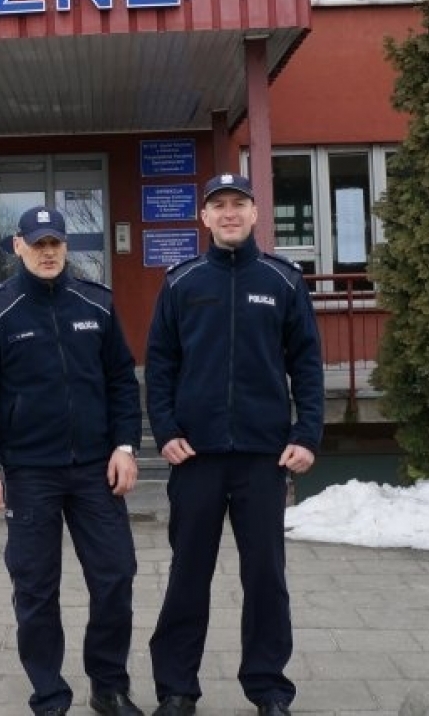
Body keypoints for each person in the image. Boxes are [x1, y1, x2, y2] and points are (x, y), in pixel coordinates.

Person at [144, 174, 323, 716]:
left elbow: (307, 365)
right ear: (203, 217)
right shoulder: (181, 283)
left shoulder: (283, 281)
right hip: (195, 457)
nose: (228, 213)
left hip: (263, 458)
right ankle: (177, 689)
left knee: (266, 577)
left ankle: (268, 688)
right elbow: (160, 365)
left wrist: (306, 433)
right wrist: (167, 430)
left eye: (237, 204)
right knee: (187, 577)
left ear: (253, 213)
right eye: (217, 205)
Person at [0, 206, 145, 716]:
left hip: (94, 470)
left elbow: (122, 384)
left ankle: (108, 686)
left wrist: (126, 446)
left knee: (115, 576)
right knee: (36, 588)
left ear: (66, 247)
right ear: (16, 245)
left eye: (55, 243)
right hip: (30, 472)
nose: (46, 252)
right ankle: (49, 693)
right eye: (36, 243)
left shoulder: (97, 305)